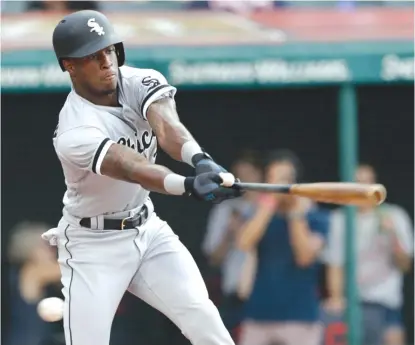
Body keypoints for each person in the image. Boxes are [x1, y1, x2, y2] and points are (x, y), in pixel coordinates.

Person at [44, 9, 241, 345]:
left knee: (203, 316)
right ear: (69, 66)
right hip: (93, 245)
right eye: (92, 56)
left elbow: (167, 126)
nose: (107, 62)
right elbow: (133, 167)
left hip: (148, 232)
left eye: (109, 50)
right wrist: (187, 185)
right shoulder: (74, 131)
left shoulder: (139, 80)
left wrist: (201, 161)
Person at [235, 149, 329, 345]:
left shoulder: (316, 217)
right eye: (273, 179)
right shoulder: (258, 213)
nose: (279, 185)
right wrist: (268, 204)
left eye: (284, 179)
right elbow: (243, 243)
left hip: (300, 316)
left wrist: (295, 212)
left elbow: (304, 257)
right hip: (258, 314)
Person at [323, 163, 413, 345]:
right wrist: (336, 298)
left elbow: (405, 265)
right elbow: (334, 264)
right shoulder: (339, 219)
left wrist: (393, 235)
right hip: (351, 305)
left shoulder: (394, 215)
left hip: (385, 302)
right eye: (357, 183)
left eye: (367, 183)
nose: (363, 189)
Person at [202, 150, 263, 342]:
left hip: (267, 287)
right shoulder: (226, 209)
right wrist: (230, 232)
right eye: (239, 175)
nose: (243, 180)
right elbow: (213, 257)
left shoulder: (273, 207)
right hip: (234, 291)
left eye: (248, 174)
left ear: (260, 174)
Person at [6, 221, 62, 345]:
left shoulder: (24, 272)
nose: (53, 249)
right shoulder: (32, 271)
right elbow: (74, 267)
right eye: (46, 245)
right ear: (30, 248)